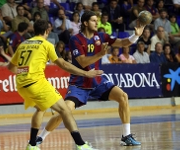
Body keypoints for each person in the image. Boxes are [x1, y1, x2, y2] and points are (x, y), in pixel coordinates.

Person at [36, 11, 144, 147]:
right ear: (85, 23)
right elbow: (82, 62)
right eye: (93, 20)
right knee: (65, 111)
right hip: (79, 84)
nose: (96, 22)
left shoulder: (101, 36)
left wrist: (136, 36)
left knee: (123, 96)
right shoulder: (75, 39)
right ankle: (41, 137)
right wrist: (100, 54)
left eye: (96, 20)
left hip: (97, 81)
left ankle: (126, 136)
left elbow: (122, 43)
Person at [7, 19, 103, 150]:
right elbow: (63, 64)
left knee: (41, 108)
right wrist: (85, 74)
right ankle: (81, 145)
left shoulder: (23, 44)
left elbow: (11, 67)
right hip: (36, 83)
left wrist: (25, 71)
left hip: (21, 84)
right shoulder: (47, 45)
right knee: (65, 111)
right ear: (47, 30)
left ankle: (32, 144)